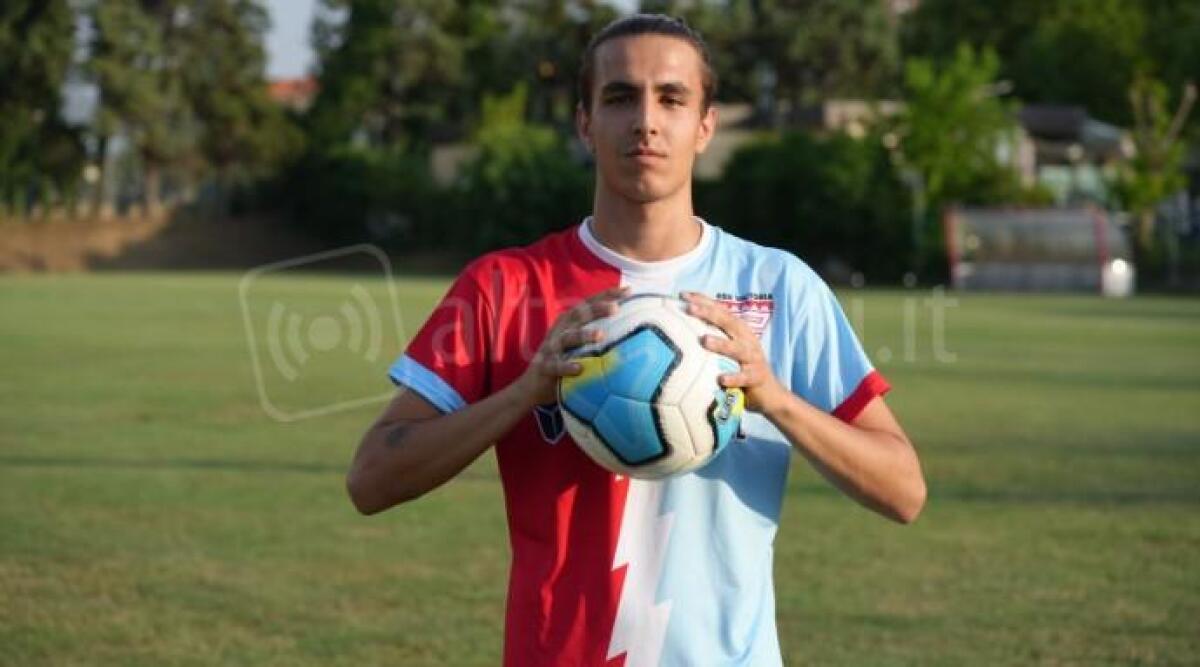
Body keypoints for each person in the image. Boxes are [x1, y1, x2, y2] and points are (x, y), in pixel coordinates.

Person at [347, 13, 926, 667]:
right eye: (620, 97)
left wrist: (774, 398)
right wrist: (525, 392)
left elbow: (904, 490)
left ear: (705, 124)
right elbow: (371, 478)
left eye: (672, 98)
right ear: (585, 122)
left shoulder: (777, 286)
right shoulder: (504, 286)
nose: (646, 121)